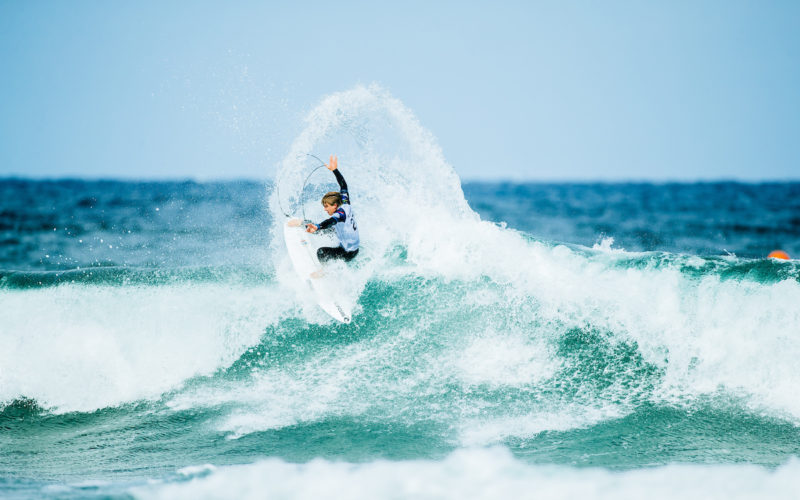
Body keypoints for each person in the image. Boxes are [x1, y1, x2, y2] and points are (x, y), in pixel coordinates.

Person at [304, 155, 360, 262]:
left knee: (321, 252)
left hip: (347, 252)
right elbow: (343, 186)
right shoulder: (345, 203)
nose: (325, 209)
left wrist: (318, 226)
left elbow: (331, 221)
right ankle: (305, 225)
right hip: (354, 248)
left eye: (326, 206)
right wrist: (335, 170)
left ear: (335, 206)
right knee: (328, 230)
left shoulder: (340, 214)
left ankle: (324, 273)